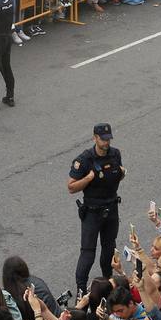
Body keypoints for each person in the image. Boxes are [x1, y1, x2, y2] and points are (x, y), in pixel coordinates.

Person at [67, 122, 126, 295]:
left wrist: (122, 173)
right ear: (95, 138)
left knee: (109, 248)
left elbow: (116, 175)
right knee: (88, 253)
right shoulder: (84, 160)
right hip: (92, 212)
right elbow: (71, 187)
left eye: (108, 139)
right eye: (103, 139)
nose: (106, 143)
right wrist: (88, 179)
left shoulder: (115, 154)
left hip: (111, 208)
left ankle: (108, 283)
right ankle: (80, 289)